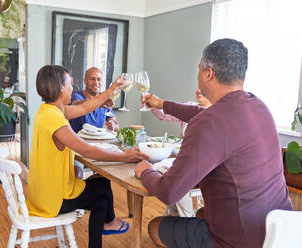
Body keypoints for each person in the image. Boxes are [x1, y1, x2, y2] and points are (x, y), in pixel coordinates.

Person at [135, 38, 293, 248]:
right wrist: (162, 104)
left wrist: (145, 170)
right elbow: (201, 113)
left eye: (199, 68)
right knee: (201, 213)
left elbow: (169, 192)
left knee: (155, 226)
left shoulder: (208, 123)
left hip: (241, 241)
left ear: (208, 73)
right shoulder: (258, 106)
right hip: (281, 230)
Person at [27, 65, 148, 248]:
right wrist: (124, 156)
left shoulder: (47, 110)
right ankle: (109, 223)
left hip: (42, 192)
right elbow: (86, 150)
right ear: (61, 88)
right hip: (53, 198)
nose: (71, 88)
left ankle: (104, 230)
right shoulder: (55, 118)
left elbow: (85, 107)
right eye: (69, 84)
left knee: (100, 196)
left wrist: (112, 89)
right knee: (102, 186)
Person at [152, 88, 211, 218]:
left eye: (204, 88)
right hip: (185, 158)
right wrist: (153, 106)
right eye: (198, 87)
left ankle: (186, 218)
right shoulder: (189, 106)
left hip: (202, 165)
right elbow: (164, 115)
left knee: (179, 186)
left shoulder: (215, 112)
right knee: (174, 181)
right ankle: (173, 216)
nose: (199, 91)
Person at [69, 67, 119, 132]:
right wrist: (100, 102)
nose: (96, 82)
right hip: (76, 140)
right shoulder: (76, 96)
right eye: (92, 79)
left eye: (99, 79)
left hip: (97, 141)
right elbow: (77, 103)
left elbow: (115, 124)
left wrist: (112, 124)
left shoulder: (104, 99)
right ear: (85, 81)